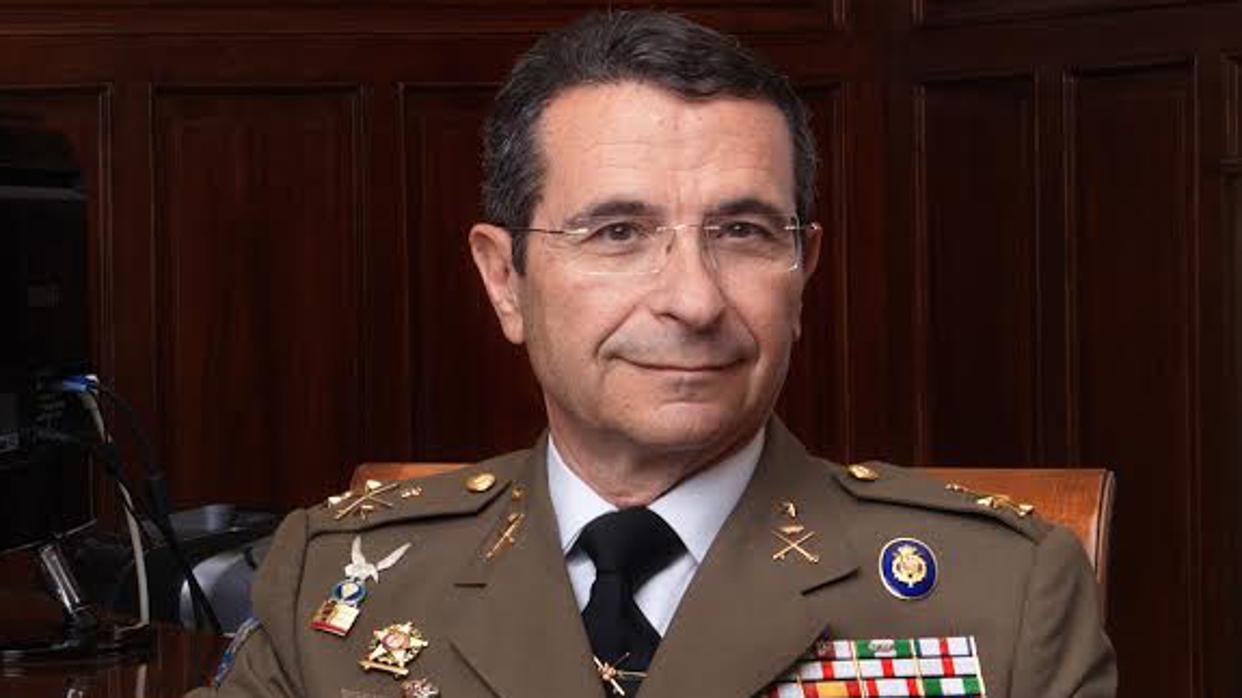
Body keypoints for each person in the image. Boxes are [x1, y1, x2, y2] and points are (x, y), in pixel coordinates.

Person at [192, 11, 1116, 698]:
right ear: (505, 280)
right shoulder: (334, 578)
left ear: (803, 271)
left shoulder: (1000, 592)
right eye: (618, 232)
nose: (694, 300)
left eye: (743, 231)